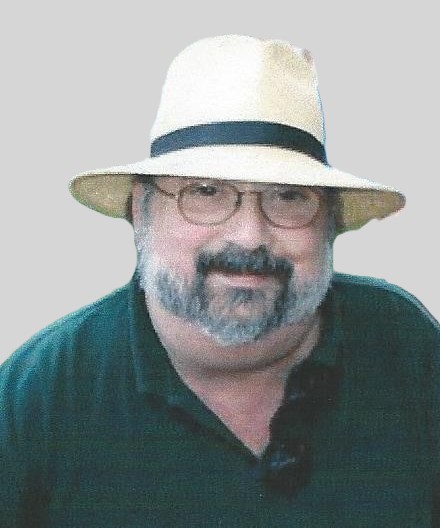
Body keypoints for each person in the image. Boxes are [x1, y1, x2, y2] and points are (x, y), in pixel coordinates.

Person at [1, 35, 439, 527]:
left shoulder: (407, 350)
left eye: (288, 197)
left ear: (330, 223)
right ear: (140, 211)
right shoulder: (38, 397)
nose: (249, 236)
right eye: (206, 191)